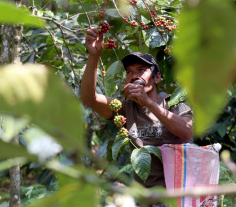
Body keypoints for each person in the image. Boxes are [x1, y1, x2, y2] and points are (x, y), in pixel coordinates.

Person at [81, 27, 193, 188]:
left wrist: (147, 101)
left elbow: (186, 131)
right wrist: (94, 55)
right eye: (129, 72)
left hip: (179, 195)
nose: (134, 76)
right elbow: (89, 99)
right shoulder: (125, 108)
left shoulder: (174, 104)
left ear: (158, 77)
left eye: (141, 70)